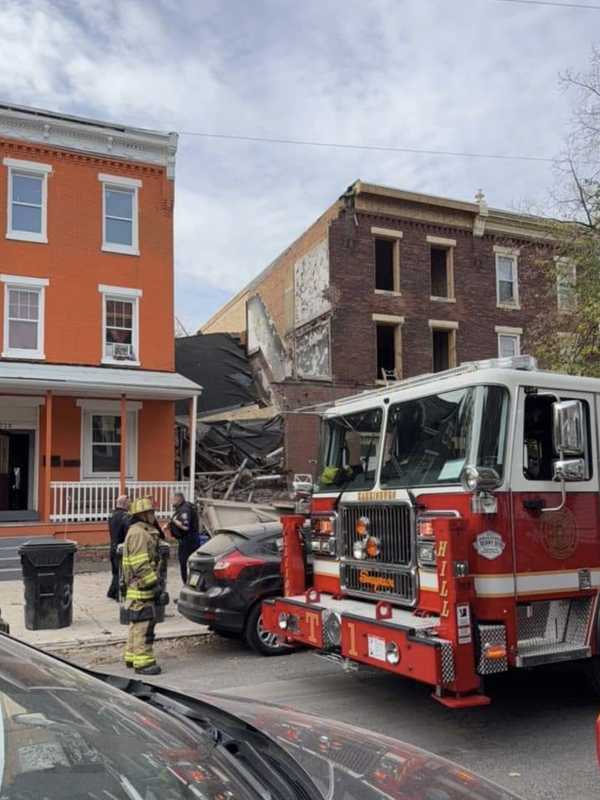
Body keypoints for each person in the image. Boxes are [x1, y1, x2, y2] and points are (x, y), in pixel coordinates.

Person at [122, 497, 165, 675]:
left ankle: (132, 656)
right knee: (144, 624)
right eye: (151, 512)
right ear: (143, 514)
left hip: (137, 586)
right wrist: (153, 584)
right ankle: (143, 662)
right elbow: (140, 563)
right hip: (142, 586)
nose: (153, 515)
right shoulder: (139, 533)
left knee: (136, 622)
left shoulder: (138, 531)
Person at [168, 492, 206, 583]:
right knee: (192, 563)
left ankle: (187, 584)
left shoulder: (185, 509)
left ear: (178, 499)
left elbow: (185, 527)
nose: (171, 501)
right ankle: (193, 583)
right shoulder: (183, 507)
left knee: (185, 563)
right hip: (190, 540)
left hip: (188, 541)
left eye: (172, 499)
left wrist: (174, 521)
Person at [106, 495, 130, 600]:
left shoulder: (111, 514)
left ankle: (112, 592)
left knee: (116, 572)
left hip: (112, 546)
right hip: (121, 548)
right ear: (125, 503)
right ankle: (117, 594)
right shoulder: (125, 516)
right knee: (121, 572)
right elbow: (127, 533)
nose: (130, 504)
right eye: (129, 502)